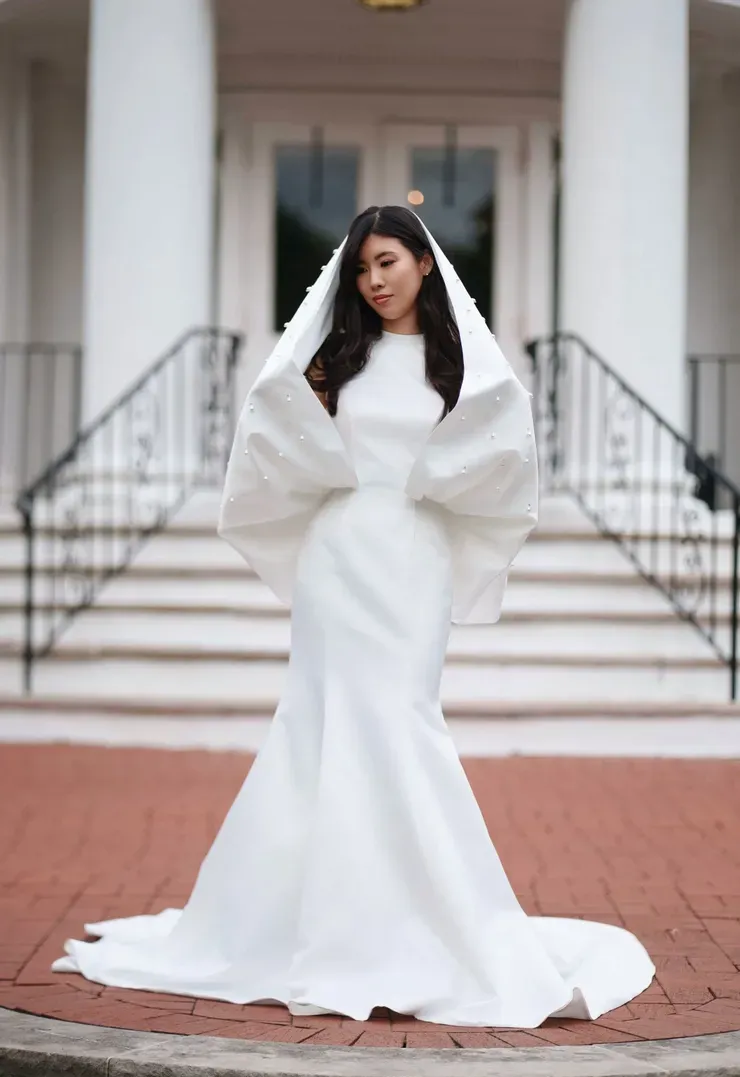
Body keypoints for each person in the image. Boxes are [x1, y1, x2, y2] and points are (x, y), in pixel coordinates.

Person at [52, 205, 655, 1027]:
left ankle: (429, 922)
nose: (374, 281)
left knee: (403, 722)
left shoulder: (463, 367)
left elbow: (505, 454)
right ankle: (304, 927)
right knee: (318, 727)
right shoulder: (332, 361)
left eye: (387, 263)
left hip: (414, 561)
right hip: (336, 558)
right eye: (362, 268)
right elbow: (273, 428)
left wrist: (436, 479)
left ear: (424, 264)